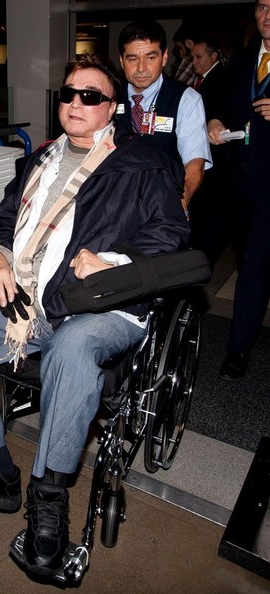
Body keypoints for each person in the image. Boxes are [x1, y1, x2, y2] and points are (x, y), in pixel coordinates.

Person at [0, 53, 190, 577]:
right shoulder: (39, 159)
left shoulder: (144, 164)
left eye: (91, 96)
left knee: (72, 348)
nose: (76, 103)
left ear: (112, 108)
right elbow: (3, 222)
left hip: (103, 305)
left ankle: (48, 499)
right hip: (33, 300)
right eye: (68, 94)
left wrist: (113, 261)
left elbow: (171, 234)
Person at [208, 0, 270, 380]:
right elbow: (224, 102)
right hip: (238, 185)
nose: (268, 15)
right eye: (263, 6)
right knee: (248, 265)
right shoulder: (245, 59)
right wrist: (215, 119)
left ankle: (237, 349)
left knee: (254, 268)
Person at [115, 19, 212, 213]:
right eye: (132, 59)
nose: (141, 68)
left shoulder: (186, 99)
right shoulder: (109, 97)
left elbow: (195, 161)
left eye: (151, 58)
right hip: (116, 202)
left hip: (164, 201)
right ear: (121, 61)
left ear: (165, 57)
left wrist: (181, 199)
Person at [188, 36, 231, 267]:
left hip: (216, 157)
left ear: (214, 56)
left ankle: (203, 258)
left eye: (198, 57)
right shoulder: (204, 80)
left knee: (211, 211)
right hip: (206, 156)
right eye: (192, 57)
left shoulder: (220, 79)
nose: (193, 62)